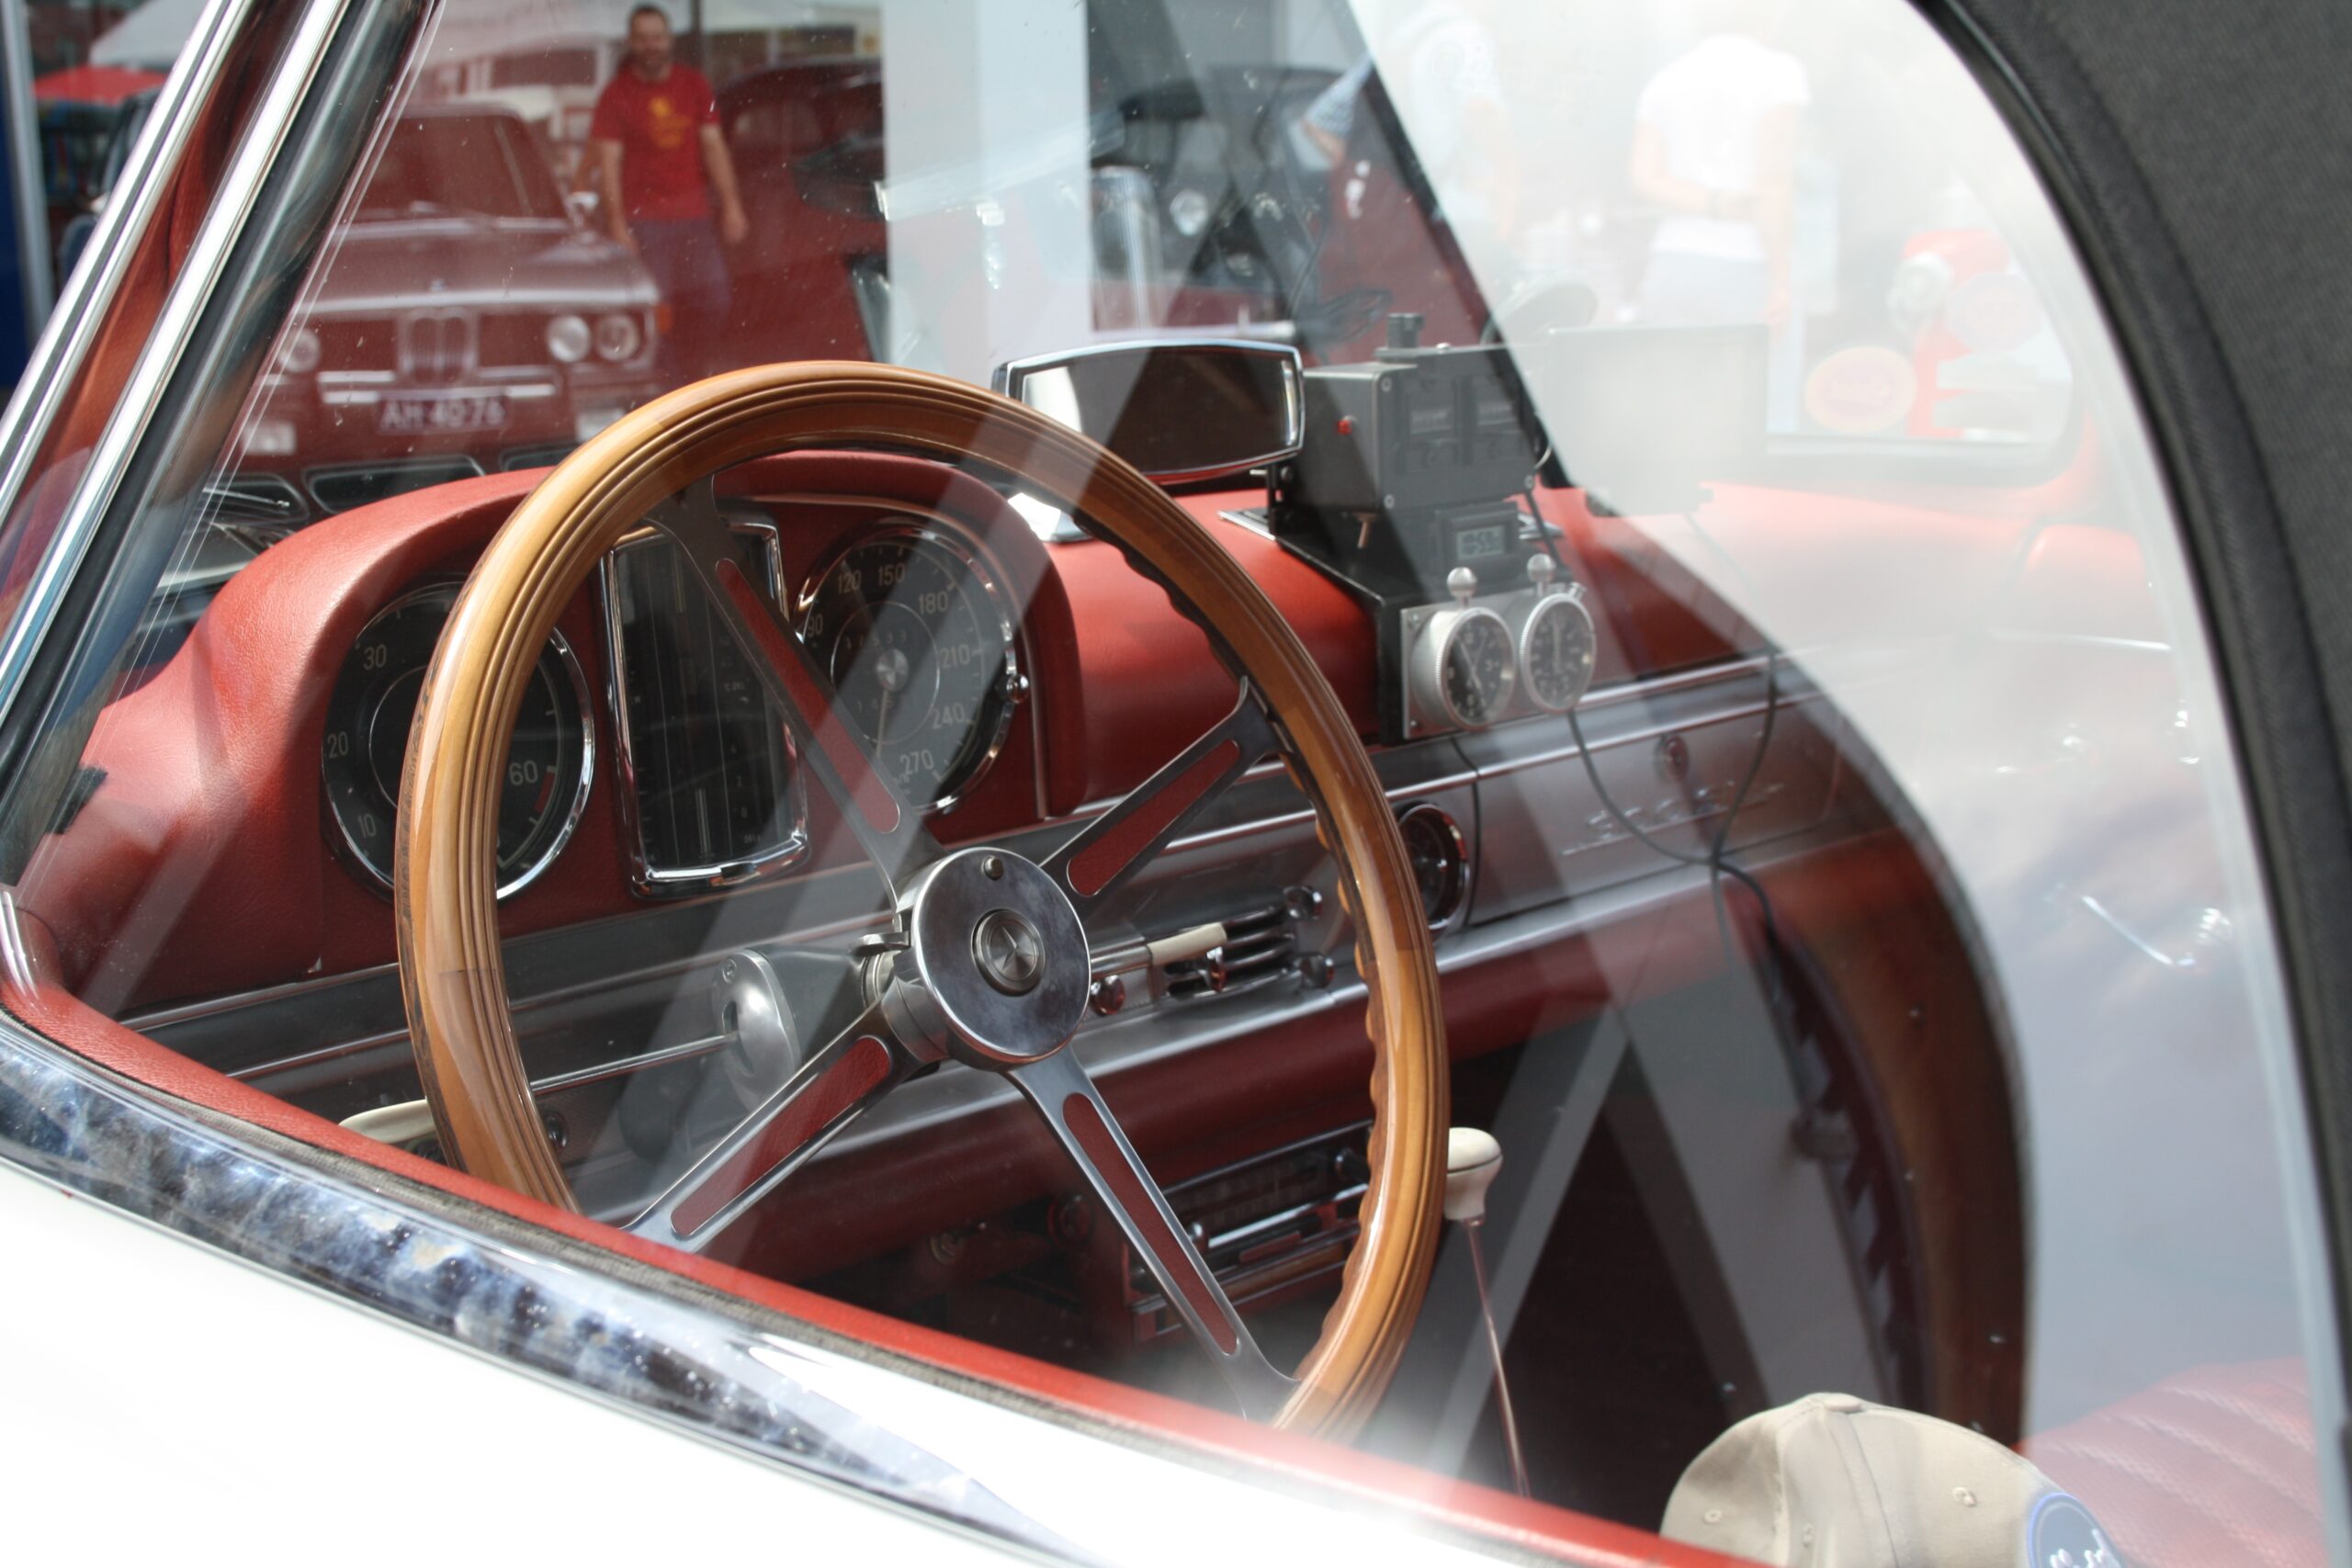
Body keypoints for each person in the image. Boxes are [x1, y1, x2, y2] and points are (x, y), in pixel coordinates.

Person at [588, 4, 748, 381]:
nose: (651, 45)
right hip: (645, 224)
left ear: (669, 40)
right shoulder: (616, 94)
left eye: (657, 37)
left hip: (695, 219)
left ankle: (691, 370)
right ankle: (671, 383)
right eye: (643, 38)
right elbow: (608, 163)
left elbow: (713, 147)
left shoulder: (694, 85)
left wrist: (732, 206)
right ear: (631, 42)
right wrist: (617, 224)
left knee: (714, 300)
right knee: (658, 311)